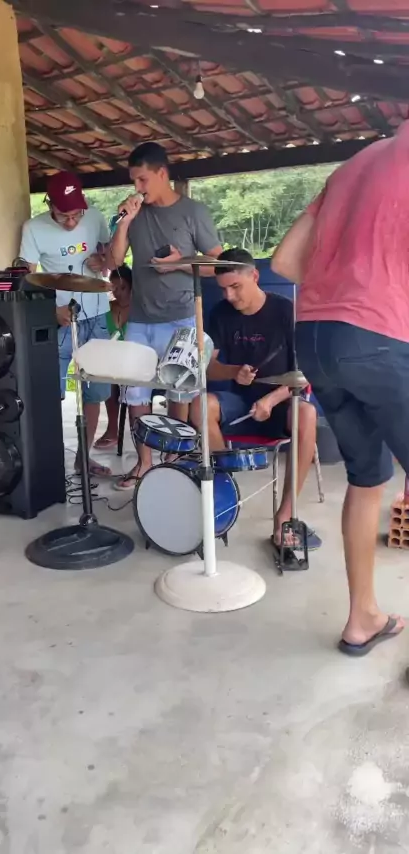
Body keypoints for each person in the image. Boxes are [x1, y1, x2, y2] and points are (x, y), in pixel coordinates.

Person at [271, 124, 409, 656]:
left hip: (317, 338)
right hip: (380, 336)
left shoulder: (354, 166)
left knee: (367, 477)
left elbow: (284, 262)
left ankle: (362, 619)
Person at [189, 248, 320, 554]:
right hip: (239, 402)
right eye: (224, 289)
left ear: (255, 276)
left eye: (236, 287)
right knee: (199, 405)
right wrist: (234, 372)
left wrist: (272, 399)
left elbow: (307, 371)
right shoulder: (220, 313)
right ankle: (225, 491)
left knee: (307, 414)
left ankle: (285, 515)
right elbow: (208, 367)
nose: (230, 295)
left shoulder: (285, 311)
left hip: (282, 402)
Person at [109, 141, 223, 491]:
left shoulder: (193, 211)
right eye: (134, 181)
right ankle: (143, 463)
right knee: (135, 394)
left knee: (180, 393)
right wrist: (124, 223)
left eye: (142, 180)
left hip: (182, 318)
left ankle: (172, 458)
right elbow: (114, 261)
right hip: (140, 318)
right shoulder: (134, 214)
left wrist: (179, 264)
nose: (137, 187)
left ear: (162, 174)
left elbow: (218, 264)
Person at [20, 171, 112, 477]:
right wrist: (51, 309)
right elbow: (26, 278)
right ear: (49, 204)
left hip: (96, 315)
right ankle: (48, 462)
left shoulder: (95, 217)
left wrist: (103, 259)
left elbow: (111, 255)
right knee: (50, 391)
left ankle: (83, 458)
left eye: (76, 214)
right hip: (59, 317)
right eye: (63, 215)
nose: (72, 222)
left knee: (94, 391)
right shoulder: (33, 229)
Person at [94, 265, 133, 450]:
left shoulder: (141, 310)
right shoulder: (106, 309)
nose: (118, 293)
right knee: (106, 377)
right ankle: (112, 429)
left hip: (134, 361)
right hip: (112, 362)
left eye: (122, 288)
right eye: (114, 288)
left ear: (132, 287)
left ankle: (137, 431)